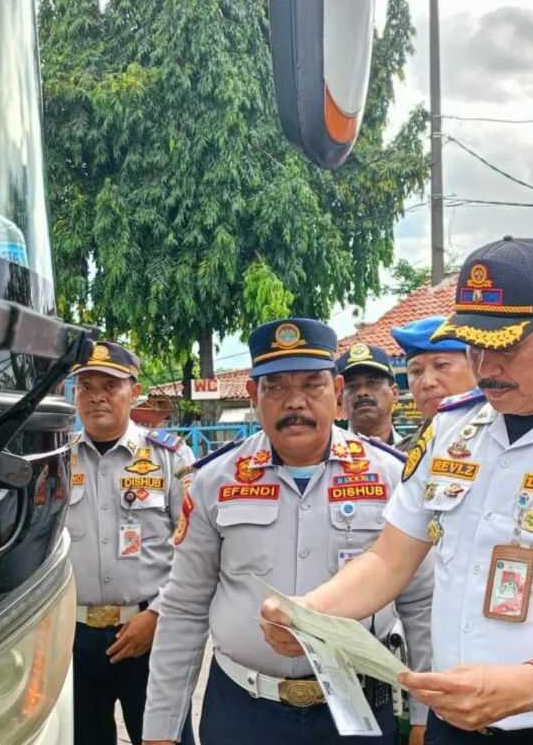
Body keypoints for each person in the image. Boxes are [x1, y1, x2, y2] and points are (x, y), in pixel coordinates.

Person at [262, 237, 533, 743]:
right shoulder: (452, 430)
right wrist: (309, 612)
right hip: (453, 726)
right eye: (472, 345)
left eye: (506, 346)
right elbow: (389, 560)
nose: (485, 366)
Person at [142, 318, 433, 745]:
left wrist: (427, 713)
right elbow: (185, 608)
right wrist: (161, 729)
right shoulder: (214, 481)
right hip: (243, 712)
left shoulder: (390, 476)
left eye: (312, 385)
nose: (294, 402)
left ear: (336, 393)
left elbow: (420, 603)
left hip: (357, 711)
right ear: (253, 396)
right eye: (275, 386)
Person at [67, 341, 196, 745]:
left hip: (149, 631)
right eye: (86, 386)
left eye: (110, 385)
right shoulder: (57, 461)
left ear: (134, 392)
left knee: (164, 738)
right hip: (75, 637)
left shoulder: (169, 458)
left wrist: (158, 616)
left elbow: (195, 552)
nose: (97, 396)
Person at [391, 315, 475, 446]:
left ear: (475, 367)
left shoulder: (506, 440)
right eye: (416, 371)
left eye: (441, 365)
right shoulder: (402, 455)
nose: (427, 382)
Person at [336, 342, 401, 444]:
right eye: (352, 386)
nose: (362, 393)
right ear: (340, 399)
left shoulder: (417, 455)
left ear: (395, 393)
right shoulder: (328, 457)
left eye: (373, 383)